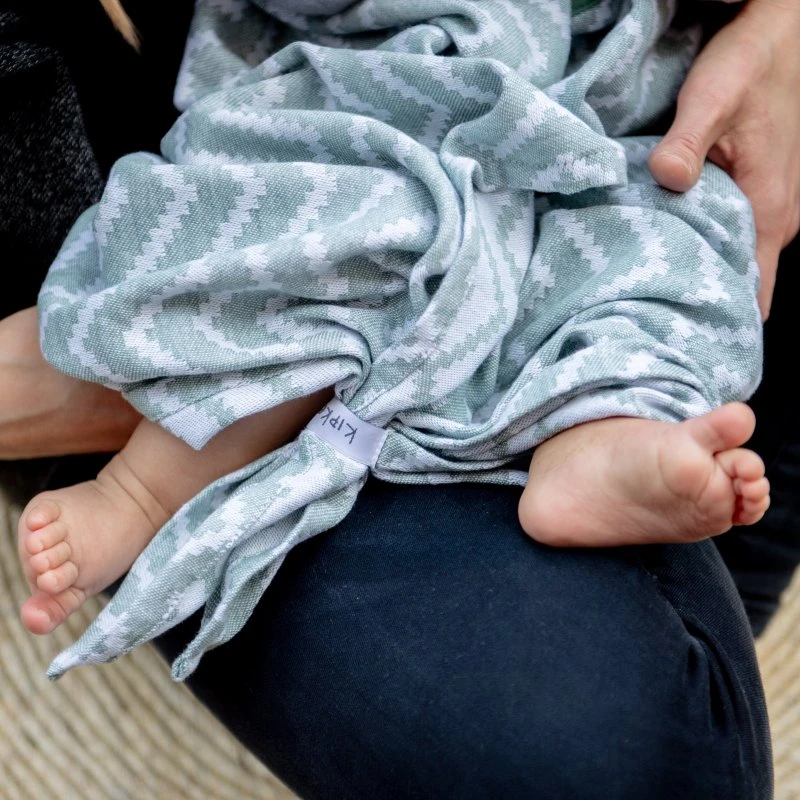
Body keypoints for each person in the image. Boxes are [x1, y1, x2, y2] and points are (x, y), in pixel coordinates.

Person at [1, 0, 798, 796]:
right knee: (329, 264)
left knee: (681, 254)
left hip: (603, 133)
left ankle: (600, 433)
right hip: (396, 104)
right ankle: (141, 493)